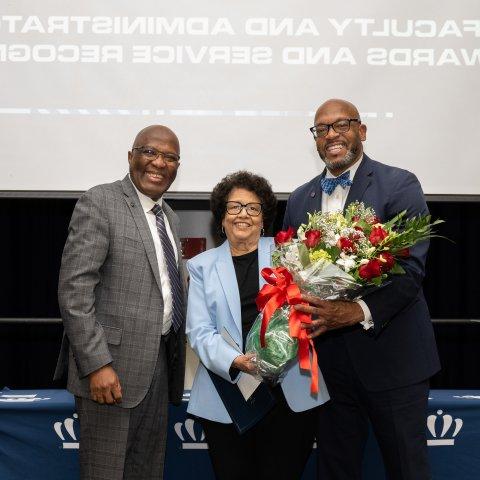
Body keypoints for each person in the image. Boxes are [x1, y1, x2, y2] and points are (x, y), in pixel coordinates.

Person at [283, 99, 440, 480]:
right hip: (330, 368)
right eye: (322, 129)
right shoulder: (300, 198)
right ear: (316, 140)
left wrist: (355, 313)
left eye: (341, 125)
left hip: (394, 361)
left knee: (407, 469)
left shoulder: (399, 184)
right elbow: (289, 274)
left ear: (362, 131)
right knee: (335, 469)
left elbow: (410, 270)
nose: (332, 134)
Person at [54, 125, 187, 480]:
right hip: (110, 373)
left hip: (158, 370)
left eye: (170, 157)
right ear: (131, 156)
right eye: (149, 152)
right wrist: (96, 364)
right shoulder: (101, 201)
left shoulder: (170, 218)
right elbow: (74, 290)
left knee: (146, 472)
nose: (159, 162)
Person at [186, 171, 329, 480]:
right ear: (221, 217)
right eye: (234, 207)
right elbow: (199, 332)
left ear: (264, 217)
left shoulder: (289, 255)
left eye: (253, 208)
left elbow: (310, 310)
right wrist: (236, 361)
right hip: (229, 392)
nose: (243, 215)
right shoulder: (200, 266)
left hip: (290, 394)